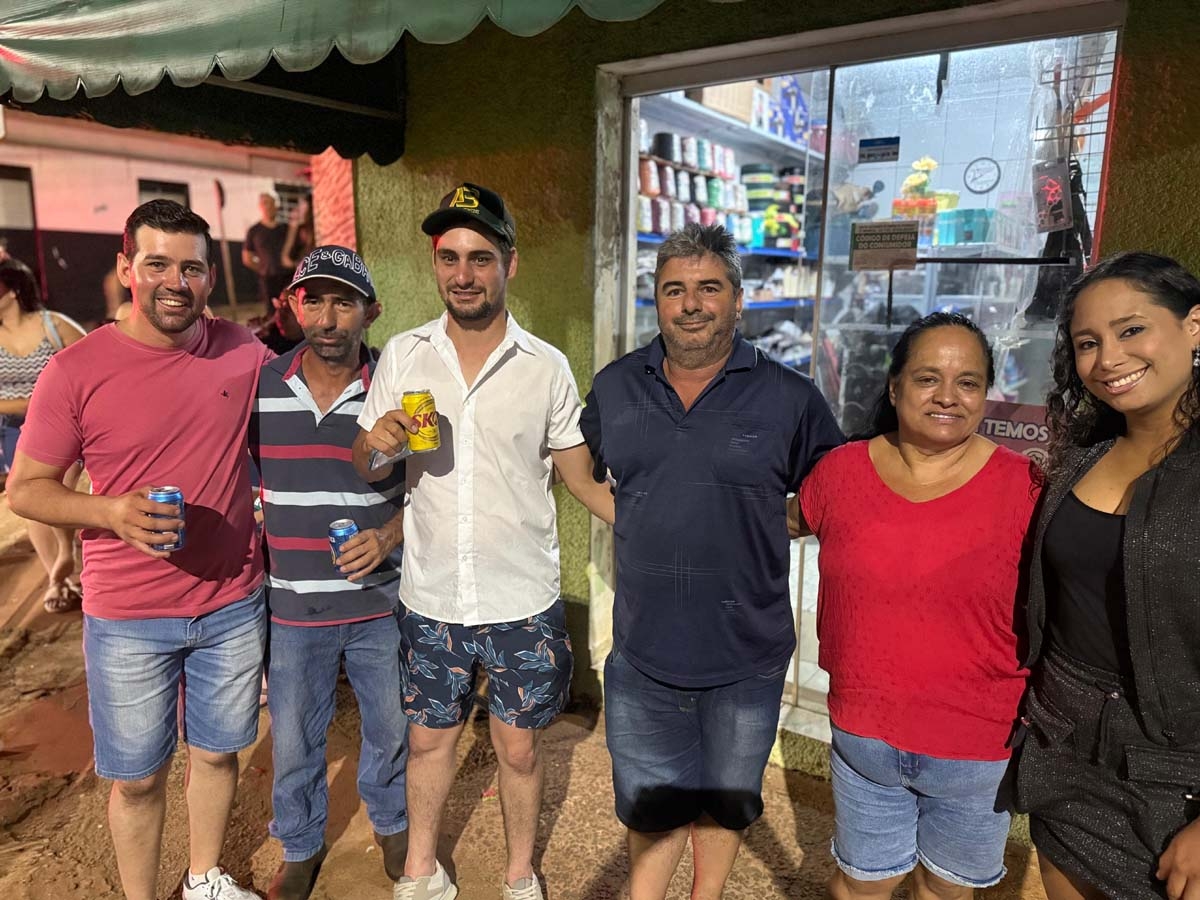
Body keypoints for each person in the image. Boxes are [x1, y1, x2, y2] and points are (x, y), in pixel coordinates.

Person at [352, 182, 615, 900]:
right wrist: (377, 443)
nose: (463, 274)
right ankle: (421, 871)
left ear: (510, 264)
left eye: (480, 258)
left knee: (519, 748)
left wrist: (667, 525)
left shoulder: (546, 366)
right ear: (435, 264)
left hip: (519, 598)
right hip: (433, 592)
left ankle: (519, 874)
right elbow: (367, 461)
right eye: (450, 258)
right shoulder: (404, 355)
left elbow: (583, 481)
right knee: (429, 740)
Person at [7, 199, 270, 900]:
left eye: (192, 268)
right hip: (127, 616)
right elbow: (26, 490)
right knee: (138, 779)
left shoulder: (243, 350)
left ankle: (205, 879)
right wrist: (110, 513)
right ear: (127, 269)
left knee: (217, 754)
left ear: (209, 277)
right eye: (157, 264)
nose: (175, 282)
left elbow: (308, 406)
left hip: (232, 603)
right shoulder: (76, 370)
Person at [579, 223, 843, 900]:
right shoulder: (615, 386)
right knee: (651, 808)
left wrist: (775, 521)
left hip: (746, 653)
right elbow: (578, 466)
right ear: (657, 300)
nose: (691, 304)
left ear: (738, 299)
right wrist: (634, 516)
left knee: (725, 803)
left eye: (709, 288)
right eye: (674, 289)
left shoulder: (789, 397)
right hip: (643, 650)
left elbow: (837, 492)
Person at [792, 312, 1039, 900]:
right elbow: (773, 524)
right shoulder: (840, 472)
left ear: (986, 392)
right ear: (894, 386)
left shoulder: (1027, 488)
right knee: (862, 885)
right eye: (928, 378)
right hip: (864, 738)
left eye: (968, 382)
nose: (948, 396)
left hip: (977, 749)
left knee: (944, 891)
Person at [1014, 252, 1200, 900]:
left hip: (1177, 779)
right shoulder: (1080, 459)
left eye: (1131, 330)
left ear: (1194, 325)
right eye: (1088, 343)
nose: (1109, 358)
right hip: (1062, 745)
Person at [250, 245, 408, 900]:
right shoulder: (262, 385)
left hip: (381, 602)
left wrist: (389, 534)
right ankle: (301, 845)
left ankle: (394, 826)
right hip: (294, 606)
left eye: (344, 302)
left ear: (372, 311)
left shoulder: (400, 390)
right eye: (313, 300)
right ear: (293, 306)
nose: (327, 316)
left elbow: (435, 490)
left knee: (391, 727)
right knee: (293, 740)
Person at [0, 257, 87, 611]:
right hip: (14, 430)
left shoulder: (54, 325)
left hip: (61, 426)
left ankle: (66, 553)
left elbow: (95, 365)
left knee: (60, 489)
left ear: (12, 291)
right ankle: (58, 578)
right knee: (28, 501)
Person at [243, 193, 290, 314]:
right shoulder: (254, 231)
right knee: (272, 313)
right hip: (268, 280)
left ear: (276, 206)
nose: (268, 206)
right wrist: (263, 269)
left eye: (271, 203)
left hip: (288, 277)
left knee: (291, 310)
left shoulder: (285, 228)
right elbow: (247, 257)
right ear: (260, 207)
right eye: (265, 203)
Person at [255, 288, 304, 356]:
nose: (279, 315)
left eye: (287, 309)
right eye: (278, 306)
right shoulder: (266, 344)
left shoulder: (312, 349)